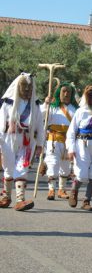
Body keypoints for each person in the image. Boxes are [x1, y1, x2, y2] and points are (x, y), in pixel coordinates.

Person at [0, 73, 44, 211]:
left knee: (22, 168)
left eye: (29, 87)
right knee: (9, 167)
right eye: (24, 86)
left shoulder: (35, 105)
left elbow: (39, 126)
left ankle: (20, 199)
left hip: (27, 141)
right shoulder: (8, 103)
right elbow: (1, 123)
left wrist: (40, 144)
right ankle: (6, 196)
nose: (26, 89)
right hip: (9, 139)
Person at [66, 85, 92, 211]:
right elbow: (71, 132)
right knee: (81, 173)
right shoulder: (80, 112)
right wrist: (71, 148)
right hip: (82, 144)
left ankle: (86, 200)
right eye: (91, 96)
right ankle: (74, 191)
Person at [40, 82, 78, 200]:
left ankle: (61, 190)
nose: (66, 94)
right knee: (53, 163)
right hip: (54, 140)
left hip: (69, 141)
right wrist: (46, 103)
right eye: (64, 91)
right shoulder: (52, 107)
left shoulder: (75, 109)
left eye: (68, 92)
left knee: (65, 166)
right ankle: (51, 189)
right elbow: (41, 116)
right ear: (59, 93)